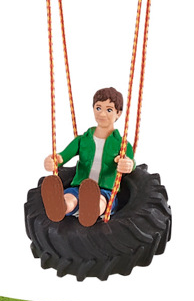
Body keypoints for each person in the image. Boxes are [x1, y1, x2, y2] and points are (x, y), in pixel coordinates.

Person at [41, 87, 134, 227]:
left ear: (118, 113)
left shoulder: (123, 144)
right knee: (70, 198)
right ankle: (60, 207)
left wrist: (128, 164)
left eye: (109, 110)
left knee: (101, 201)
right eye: (98, 108)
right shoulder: (82, 140)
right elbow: (62, 157)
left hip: (106, 189)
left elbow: (131, 161)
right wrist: (53, 161)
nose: (102, 114)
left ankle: (91, 211)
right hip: (80, 185)